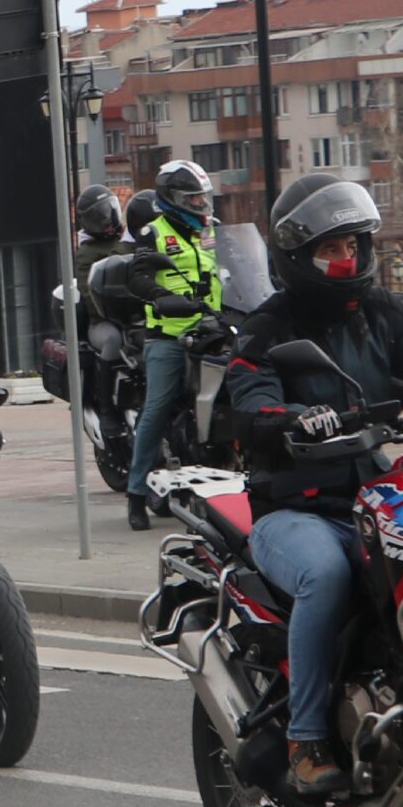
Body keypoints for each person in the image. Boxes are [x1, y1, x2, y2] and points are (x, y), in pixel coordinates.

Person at [227, 174, 403, 798]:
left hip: (370, 497)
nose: (347, 260)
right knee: (327, 576)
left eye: (354, 247)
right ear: (298, 255)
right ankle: (306, 738)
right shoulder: (267, 328)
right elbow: (249, 404)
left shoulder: (384, 312)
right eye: (331, 250)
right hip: (293, 511)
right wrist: (288, 420)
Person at [124, 160, 221, 530]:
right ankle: (136, 493)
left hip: (214, 329)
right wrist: (161, 296)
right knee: (158, 408)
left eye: (203, 197)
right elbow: (138, 277)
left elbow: (241, 261)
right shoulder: (153, 233)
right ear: (172, 199)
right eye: (192, 198)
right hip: (170, 335)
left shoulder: (214, 231)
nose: (200, 204)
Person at [70, 185, 131, 340]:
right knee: (112, 340)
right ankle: (105, 365)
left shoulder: (125, 239)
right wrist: (117, 310)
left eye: (110, 211)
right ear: (88, 220)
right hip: (101, 320)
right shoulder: (85, 254)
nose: (108, 220)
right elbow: (89, 294)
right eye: (101, 216)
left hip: (133, 312)